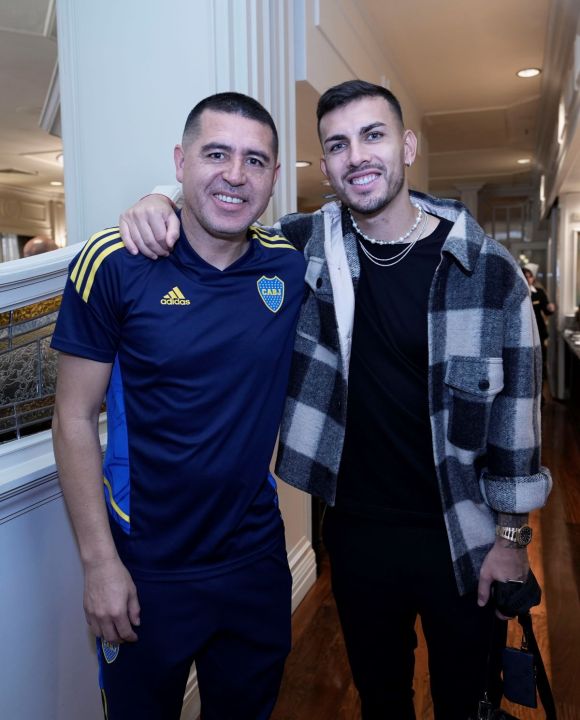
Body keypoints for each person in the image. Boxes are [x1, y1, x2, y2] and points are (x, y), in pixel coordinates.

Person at [119, 80, 552, 720]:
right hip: (355, 531)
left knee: (467, 702)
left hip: (462, 532)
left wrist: (512, 541)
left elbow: (517, 427)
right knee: (381, 700)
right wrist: (159, 196)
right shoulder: (302, 247)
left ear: (407, 146)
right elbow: (224, 205)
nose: (358, 156)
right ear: (324, 166)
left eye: (373, 136)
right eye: (338, 145)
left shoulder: (488, 272)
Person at [51, 92, 306, 720]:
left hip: (254, 561)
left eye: (254, 160)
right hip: (145, 566)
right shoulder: (114, 263)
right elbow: (72, 417)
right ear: (180, 160)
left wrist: (162, 196)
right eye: (215, 154)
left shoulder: (290, 265)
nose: (235, 174)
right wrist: (99, 564)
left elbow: (378, 219)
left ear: (275, 176)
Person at [523, 263, 555, 377]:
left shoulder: (539, 292)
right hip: (523, 332)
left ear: (534, 278)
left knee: (539, 361)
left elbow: (547, 311)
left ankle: (540, 384)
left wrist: (550, 308)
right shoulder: (517, 293)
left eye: (530, 276)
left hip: (538, 331)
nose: (527, 279)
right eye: (525, 276)